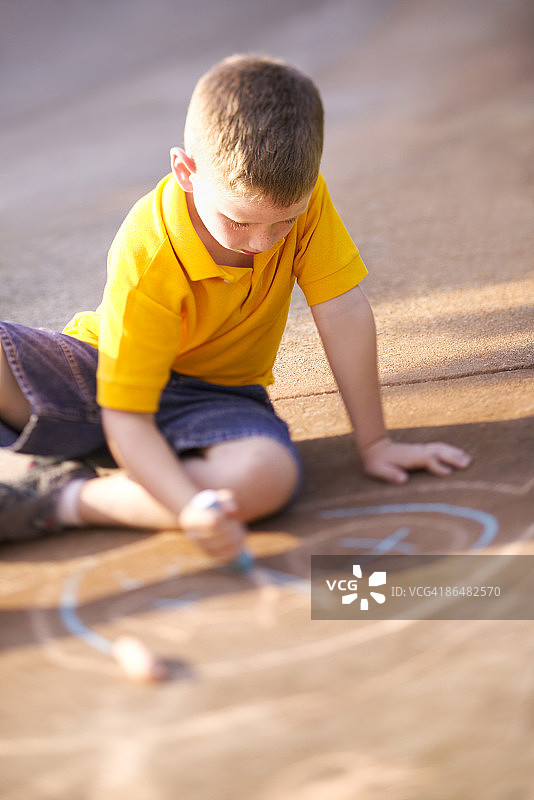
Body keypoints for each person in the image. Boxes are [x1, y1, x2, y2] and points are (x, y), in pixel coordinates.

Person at [0, 54, 471, 562]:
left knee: (263, 479)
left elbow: (343, 311)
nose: (264, 242)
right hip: (100, 375)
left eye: (283, 223)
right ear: (185, 170)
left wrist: (375, 443)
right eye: (239, 221)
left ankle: (66, 497)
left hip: (217, 398)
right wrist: (184, 504)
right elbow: (125, 416)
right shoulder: (149, 248)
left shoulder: (303, 198)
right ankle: (79, 476)